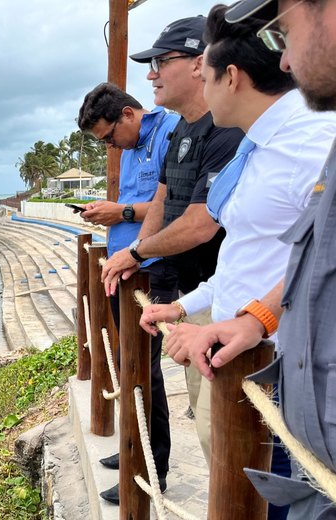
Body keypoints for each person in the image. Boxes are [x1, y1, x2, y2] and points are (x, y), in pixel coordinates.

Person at [139, 5, 336, 518]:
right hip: (246, 354)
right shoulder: (260, 145)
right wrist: (186, 308)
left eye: (204, 76)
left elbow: (318, 264)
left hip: (285, 370)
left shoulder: (311, 141)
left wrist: (255, 321)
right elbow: (246, 258)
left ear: (231, 77)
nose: (289, 61)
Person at [100, 14, 245, 467]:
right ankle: (144, 462)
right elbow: (164, 199)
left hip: (230, 296)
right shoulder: (182, 128)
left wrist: (137, 250)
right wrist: (134, 255)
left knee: (225, 428)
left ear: (203, 64)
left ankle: (152, 468)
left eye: (162, 61)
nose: (150, 74)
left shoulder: (230, 131)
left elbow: (203, 222)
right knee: (208, 419)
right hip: (196, 291)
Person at [76, 82, 181, 505]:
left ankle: (153, 468)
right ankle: (133, 448)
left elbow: (172, 205)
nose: (111, 147)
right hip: (127, 270)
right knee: (128, 364)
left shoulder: (170, 131)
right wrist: (114, 215)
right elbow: (140, 206)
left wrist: (117, 211)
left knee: (145, 373)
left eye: (108, 137)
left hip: (152, 269)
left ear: (127, 114)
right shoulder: (135, 144)